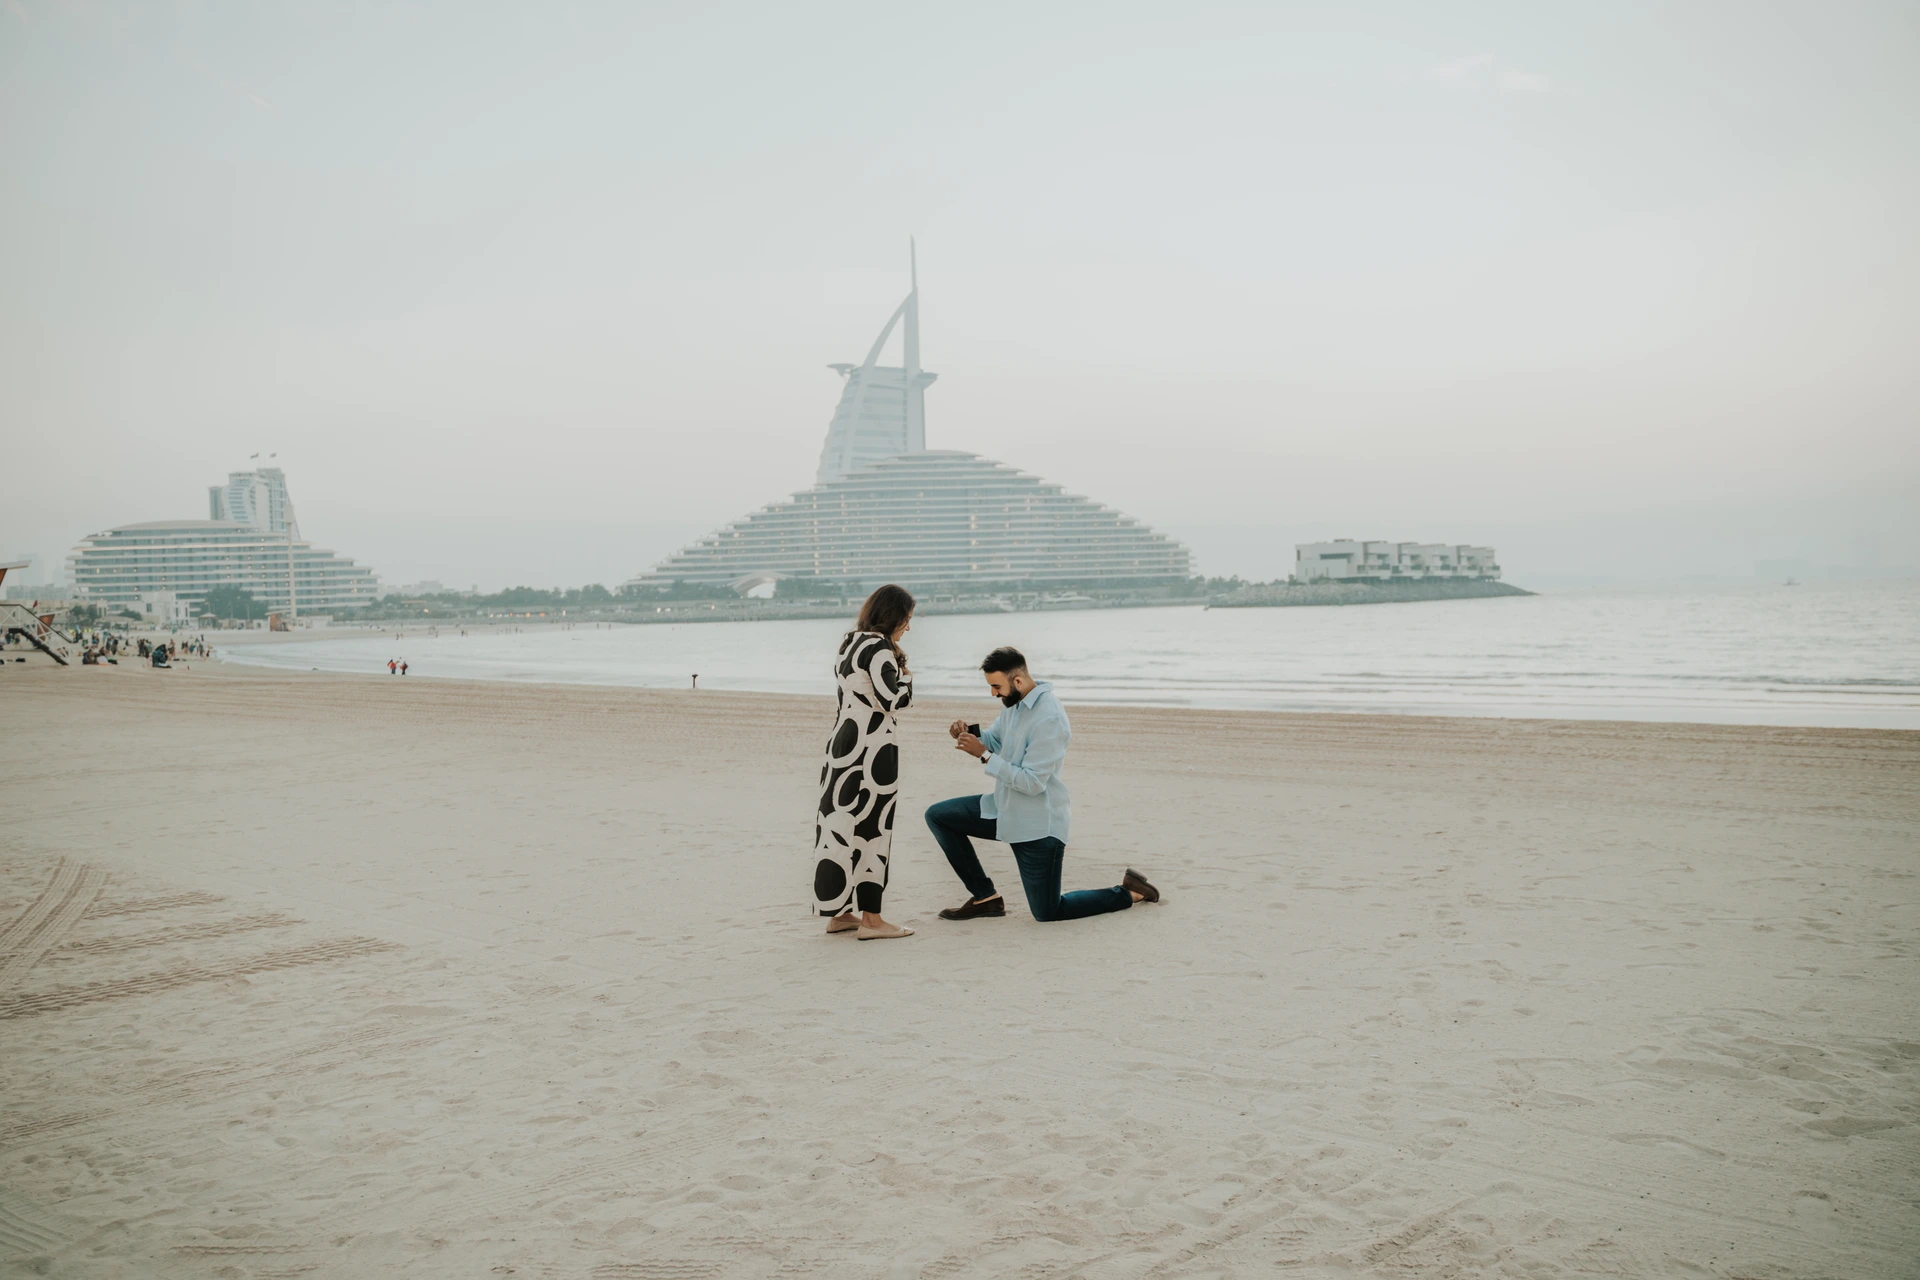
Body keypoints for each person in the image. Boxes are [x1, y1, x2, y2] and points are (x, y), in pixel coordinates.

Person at [926, 646, 1159, 922]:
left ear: (1018, 681)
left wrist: (984, 755)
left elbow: (1033, 782)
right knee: (938, 816)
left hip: (1036, 826)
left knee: (1048, 912)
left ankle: (1129, 891)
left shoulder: (1050, 718)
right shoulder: (1014, 705)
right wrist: (971, 735)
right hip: (1003, 809)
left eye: (996, 687)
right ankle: (985, 898)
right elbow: (997, 740)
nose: (993, 693)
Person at [812, 584, 916, 940]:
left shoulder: (850, 643)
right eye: (907, 618)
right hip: (874, 747)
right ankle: (872, 920)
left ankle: (839, 913)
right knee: (873, 826)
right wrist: (907, 679)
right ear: (894, 616)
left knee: (839, 823)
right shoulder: (880, 648)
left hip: (842, 741)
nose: (908, 627)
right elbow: (893, 701)